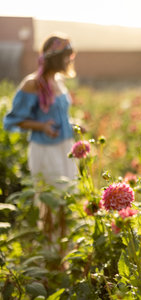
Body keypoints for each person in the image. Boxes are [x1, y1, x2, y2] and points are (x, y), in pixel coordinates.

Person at [3, 33, 79, 247]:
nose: (69, 60)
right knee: (49, 200)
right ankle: (49, 253)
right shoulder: (32, 84)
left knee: (67, 199)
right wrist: (42, 126)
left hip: (65, 148)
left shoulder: (58, 80)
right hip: (44, 150)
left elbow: (59, 115)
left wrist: (73, 126)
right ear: (55, 58)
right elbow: (12, 120)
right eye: (66, 56)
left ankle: (64, 249)